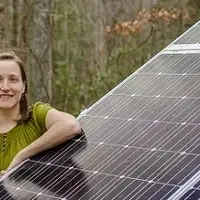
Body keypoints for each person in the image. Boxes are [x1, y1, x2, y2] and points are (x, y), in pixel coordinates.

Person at [0, 51, 82, 175]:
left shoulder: (37, 115)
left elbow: (71, 125)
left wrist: (21, 156)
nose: (5, 87)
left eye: (13, 79)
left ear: (23, 86)